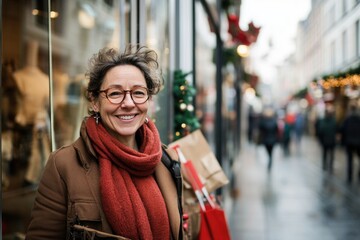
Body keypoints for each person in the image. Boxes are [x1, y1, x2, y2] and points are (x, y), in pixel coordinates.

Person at [25, 45, 183, 240]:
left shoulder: (166, 160)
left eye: (139, 93)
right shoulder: (64, 164)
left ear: (149, 100)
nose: (128, 103)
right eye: (115, 93)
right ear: (94, 102)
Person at [341, 103, 360, 183]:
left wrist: (343, 141)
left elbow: (343, 130)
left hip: (349, 143)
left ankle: (349, 176)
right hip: (358, 143)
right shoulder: (359, 119)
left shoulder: (347, 119)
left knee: (350, 160)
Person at [317, 105, 337, 173]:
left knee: (327, 154)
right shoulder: (332, 121)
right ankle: (328, 166)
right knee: (329, 154)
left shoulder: (325, 121)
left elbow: (320, 131)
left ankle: (326, 165)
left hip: (327, 141)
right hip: (329, 141)